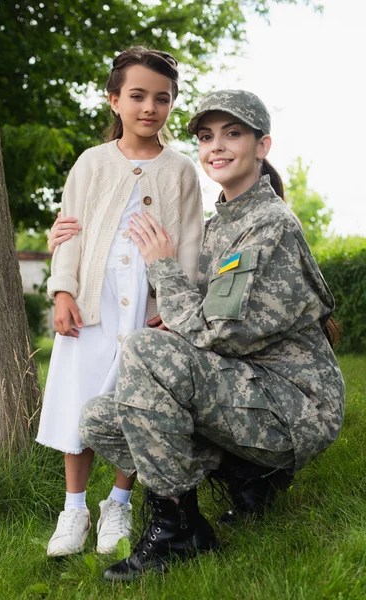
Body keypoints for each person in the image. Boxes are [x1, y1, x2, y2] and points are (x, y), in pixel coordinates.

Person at [77, 89, 345, 581]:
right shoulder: (225, 220)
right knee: (99, 418)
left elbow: (220, 336)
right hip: (246, 388)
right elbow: (204, 314)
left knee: (145, 350)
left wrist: (163, 269)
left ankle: (175, 533)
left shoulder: (269, 225)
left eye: (232, 134)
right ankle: (238, 486)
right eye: (205, 136)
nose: (215, 146)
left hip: (291, 407)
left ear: (262, 146)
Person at [36, 46, 204, 557]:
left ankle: (119, 503)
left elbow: (192, 245)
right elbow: (69, 232)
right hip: (94, 300)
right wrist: (63, 290)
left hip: (146, 309)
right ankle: (74, 510)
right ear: (114, 100)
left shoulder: (181, 171)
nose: (149, 107)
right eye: (137, 96)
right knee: (80, 401)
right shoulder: (91, 163)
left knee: (129, 404)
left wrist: (174, 305)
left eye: (162, 98)